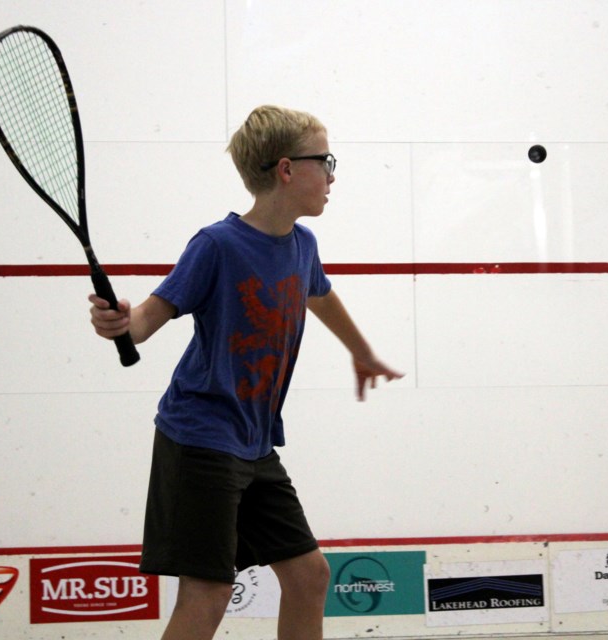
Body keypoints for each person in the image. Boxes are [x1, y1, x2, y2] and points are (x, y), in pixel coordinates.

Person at [88, 105, 403, 640]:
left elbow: (319, 296)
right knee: (207, 594)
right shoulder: (217, 244)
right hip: (201, 439)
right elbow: (146, 321)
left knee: (308, 576)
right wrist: (118, 320)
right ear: (285, 169)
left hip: (255, 446)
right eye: (324, 161)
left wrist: (361, 351)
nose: (331, 175)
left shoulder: (303, 245)